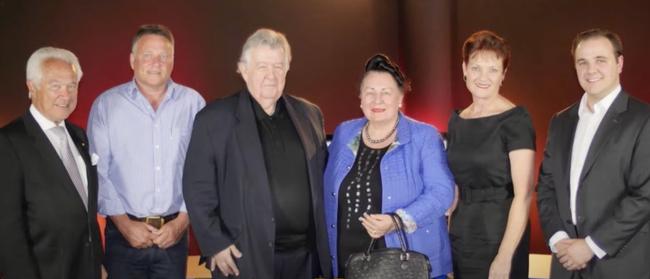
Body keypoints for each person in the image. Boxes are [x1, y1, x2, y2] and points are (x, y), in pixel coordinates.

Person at [183, 28, 331, 279]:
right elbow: (197, 187)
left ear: (287, 69)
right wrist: (215, 243)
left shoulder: (310, 114)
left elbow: (323, 178)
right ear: (243, 69)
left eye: (278, 66)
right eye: (262, 66)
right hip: (244, 258)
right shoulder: (214, 119)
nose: (271, 75)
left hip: (304, 258)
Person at [87, 24, 205, 278]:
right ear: (132, 59)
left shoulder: (193, 104)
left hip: (174, 237)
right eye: (148, 55)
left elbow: (203, 170)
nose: (156, 62)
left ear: (173, 60)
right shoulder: (106, 105)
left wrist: (182, 222)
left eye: (164, 56)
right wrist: (124, 224)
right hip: (122, 238)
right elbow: (99, 172)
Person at [323, 54, 455, 279]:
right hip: (350, 263)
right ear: (361, 98)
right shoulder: (344, 133)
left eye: (386, 92)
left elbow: (442, 193)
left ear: (400, 98)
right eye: (370, 92)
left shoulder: (424, 136)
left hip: (407, 265)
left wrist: (396, 221)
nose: (377, 100)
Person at [537, 28, 650, 278]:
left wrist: (591, 246)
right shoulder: (560, 121)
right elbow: (546, 185)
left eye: (600, 60)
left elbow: (645, 195)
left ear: (619, 63)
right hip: (565, 263)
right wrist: (558, 239)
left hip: (620, 264)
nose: (591, 70)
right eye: (582, 62)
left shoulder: (644, 119)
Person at [0, 47, 102, 279]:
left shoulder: (79, 137)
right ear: (31, 86)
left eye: (72, 85)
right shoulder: (8, 142)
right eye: (55, 86)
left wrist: (98, 263)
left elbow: (86, 214)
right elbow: (7, 230)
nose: (66, 95)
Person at [446, 30, 536, 279]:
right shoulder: (457, 120)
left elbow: (524, 194)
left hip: (500, 232)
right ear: (464, 68)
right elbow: (455, 187)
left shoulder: (516, 120)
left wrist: (505, 257)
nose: (483, 77)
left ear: (503, 75)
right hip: (461, 234)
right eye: (476, 68)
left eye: (493, 69)